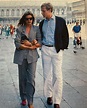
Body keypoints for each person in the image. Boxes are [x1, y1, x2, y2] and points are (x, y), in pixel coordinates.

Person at [39, 3, 69, 108]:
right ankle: (49, 95)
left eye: (43, 11)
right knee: (47, 74)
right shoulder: (42, 23)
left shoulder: (60, 21)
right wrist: (41, 47)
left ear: (49, 10)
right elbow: (40, 36)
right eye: (41, 11)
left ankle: (57, 101)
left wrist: (61, 48)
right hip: (45, 49)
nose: (41, 13)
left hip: (56, 50)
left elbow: (65, 35)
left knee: (58, 75)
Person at [13, 11, 41, 108]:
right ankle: (23, 97)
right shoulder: (20, 29)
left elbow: (40, 41)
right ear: (24, 20)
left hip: (32, 57)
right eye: (27, 19)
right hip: (21, 57)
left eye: (31, 19)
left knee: (31, 79)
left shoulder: (36, 29)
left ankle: (30, 101)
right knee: (22, 78)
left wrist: (32, 43)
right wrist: (30, 46)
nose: (29, 20)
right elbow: (17, 44)